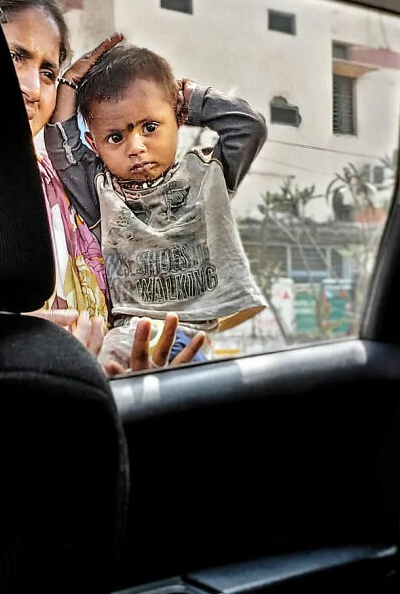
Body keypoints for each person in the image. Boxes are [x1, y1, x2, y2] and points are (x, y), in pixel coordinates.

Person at [0, 0, 203, 373]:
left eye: (48, 71)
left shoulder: (71, 188)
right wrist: (15, 341)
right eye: (14, 56)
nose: (32, 87)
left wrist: (134, 363)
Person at [45, 34, 267, 367]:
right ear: (94, 143)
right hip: (130, 330)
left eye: (150, 126)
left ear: (178, 119)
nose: (135, 147)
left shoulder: (206, 176)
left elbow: (248, 127)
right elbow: (63, 146)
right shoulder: (101, 194)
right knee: (108, 373)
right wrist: (70, 84)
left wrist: (187, 97)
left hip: (194, 330)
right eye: (116, 137)